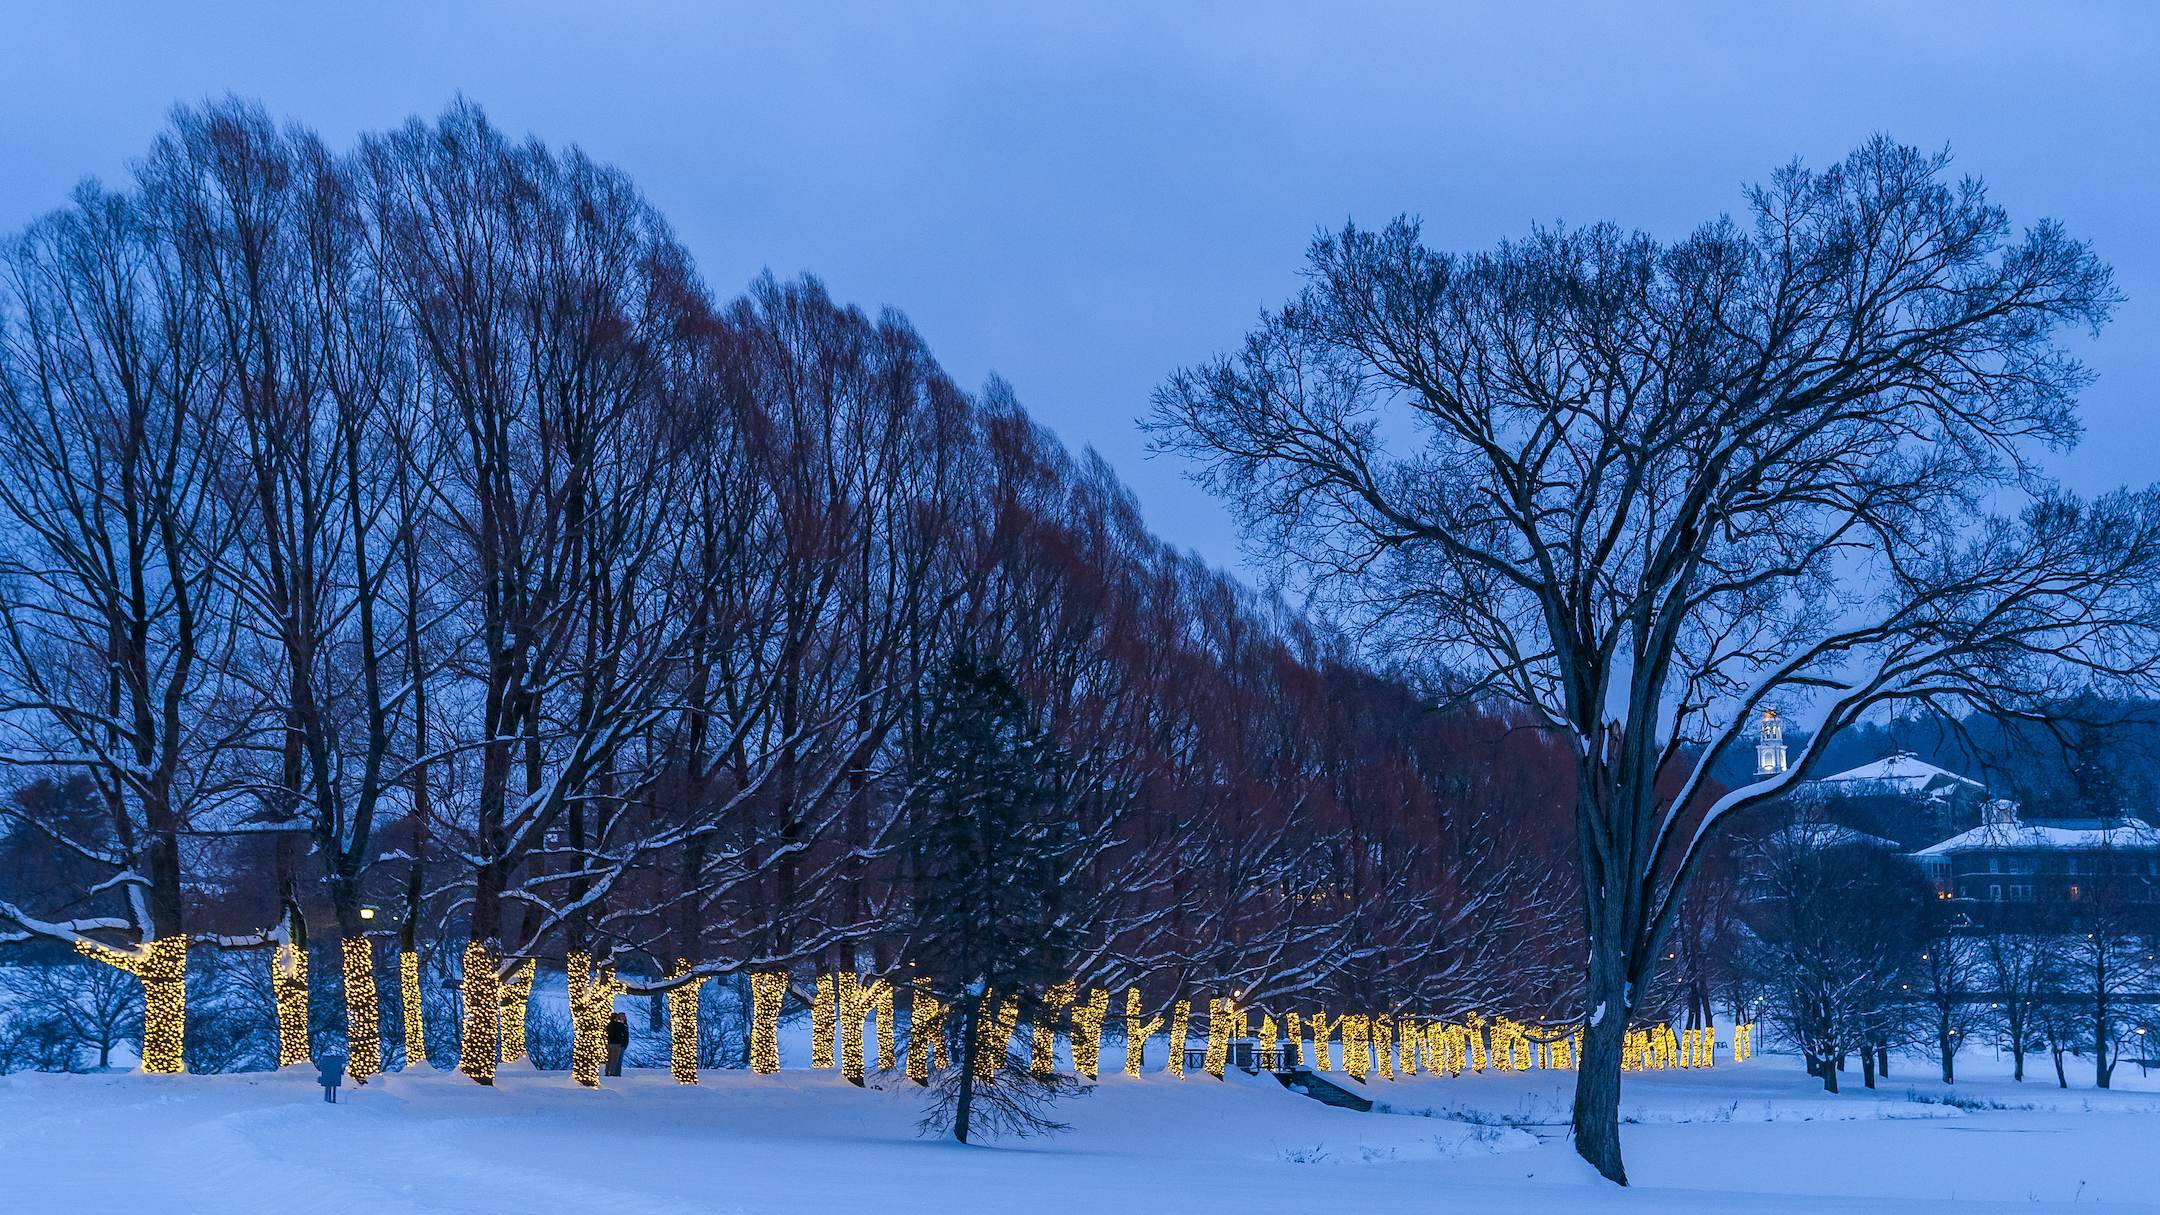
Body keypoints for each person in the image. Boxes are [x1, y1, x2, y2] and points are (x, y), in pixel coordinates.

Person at [605, 1011, 629, 1077]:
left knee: (612, 1059)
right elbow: (624, 1034)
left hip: (614, 1043)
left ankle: (610, 1072)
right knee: (615, 1059)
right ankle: (614, 1073)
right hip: (618, 1044)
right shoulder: (621, 1025)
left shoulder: (610, 1025)